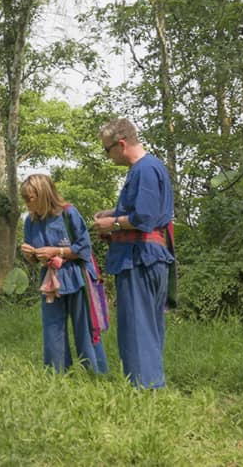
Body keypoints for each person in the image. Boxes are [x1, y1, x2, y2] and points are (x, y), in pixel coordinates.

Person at [92, 118, 175, 389]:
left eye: (108, 149)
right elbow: (140, 211)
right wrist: (112, 214)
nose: (108, 155)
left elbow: (146, 217)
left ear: (122, 144)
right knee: (146, 327)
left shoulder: (145, 169)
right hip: (146, 257)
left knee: (138, 328)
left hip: (141, 258)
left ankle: (147, 390)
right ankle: (149, 385)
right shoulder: (146, 169)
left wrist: (112, 224)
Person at [19, 172, 110, 374]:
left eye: (28, 198)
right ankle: (57, 374)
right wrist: (29, 254)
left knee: (85, 328)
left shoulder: (68, 213)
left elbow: (84, 249)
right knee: (52, 329)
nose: (25, 203)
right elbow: (35, 259)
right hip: (50, 282)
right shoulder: (30, 221)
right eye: (23, 198)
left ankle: (95, 374)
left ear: (42, 194)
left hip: (77, 277)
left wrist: (58, 251)